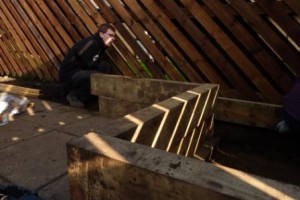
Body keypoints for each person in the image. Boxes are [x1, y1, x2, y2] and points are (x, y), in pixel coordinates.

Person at [59, 23, 116, 108]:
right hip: (69, 74)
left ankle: (91, 95)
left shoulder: (100, 46)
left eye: (114, 36)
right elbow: (88, 62)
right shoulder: (92, 43)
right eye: (110, 35)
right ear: (101, 34)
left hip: (80, 72)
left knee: (105, 67)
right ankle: (74, 96)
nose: (113, 39)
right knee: (95, 75)